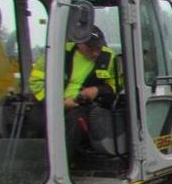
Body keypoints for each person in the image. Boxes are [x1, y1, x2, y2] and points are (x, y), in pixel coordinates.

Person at [27, 26, 119, 160]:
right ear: (79, 43)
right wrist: (57, 104)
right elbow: (36, 82)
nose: (95, 53)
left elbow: (116, 84)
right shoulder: (56, 53)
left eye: (98, 49)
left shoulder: (108, 57)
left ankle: (63, 162)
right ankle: (35, 162)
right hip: (52, 103)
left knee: (74, 121)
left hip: (86, 105)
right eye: (90, 49)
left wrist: (97, 90)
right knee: (36, 119)